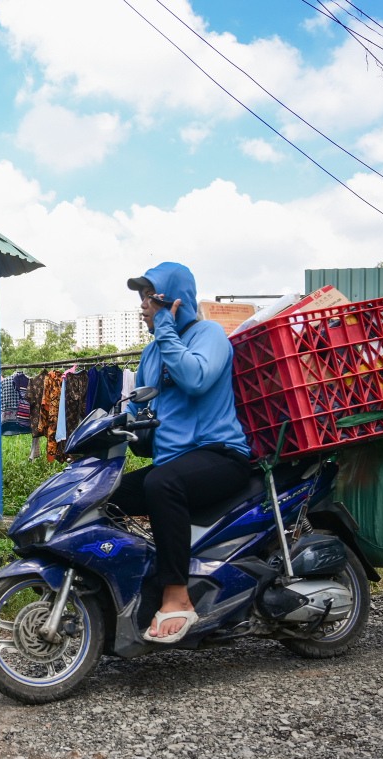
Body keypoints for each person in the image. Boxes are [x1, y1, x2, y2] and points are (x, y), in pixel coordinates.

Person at [109, 261, 252, 644]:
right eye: (141, 297)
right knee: (109, 494)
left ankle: (178, 596)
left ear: (174, 300)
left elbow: (195, 379)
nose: (143, 306)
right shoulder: (151, 353)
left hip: (222, 455)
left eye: (150, 297)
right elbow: (138, 409)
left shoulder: (209, 335)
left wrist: (168, 328)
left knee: (162, 483)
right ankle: (133, 586)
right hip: (175, 464)